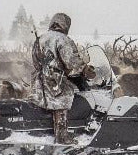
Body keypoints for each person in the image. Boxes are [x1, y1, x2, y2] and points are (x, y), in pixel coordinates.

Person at [30, 12, 93, 144]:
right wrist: (85, 69)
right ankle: (62, 136)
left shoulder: (40, 39)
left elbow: (35, 62)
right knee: (62, 101)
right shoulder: (62, 39)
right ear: (65, 25)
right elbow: (71, 61)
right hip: (54, 80)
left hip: (39, 79)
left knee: (47, 102)